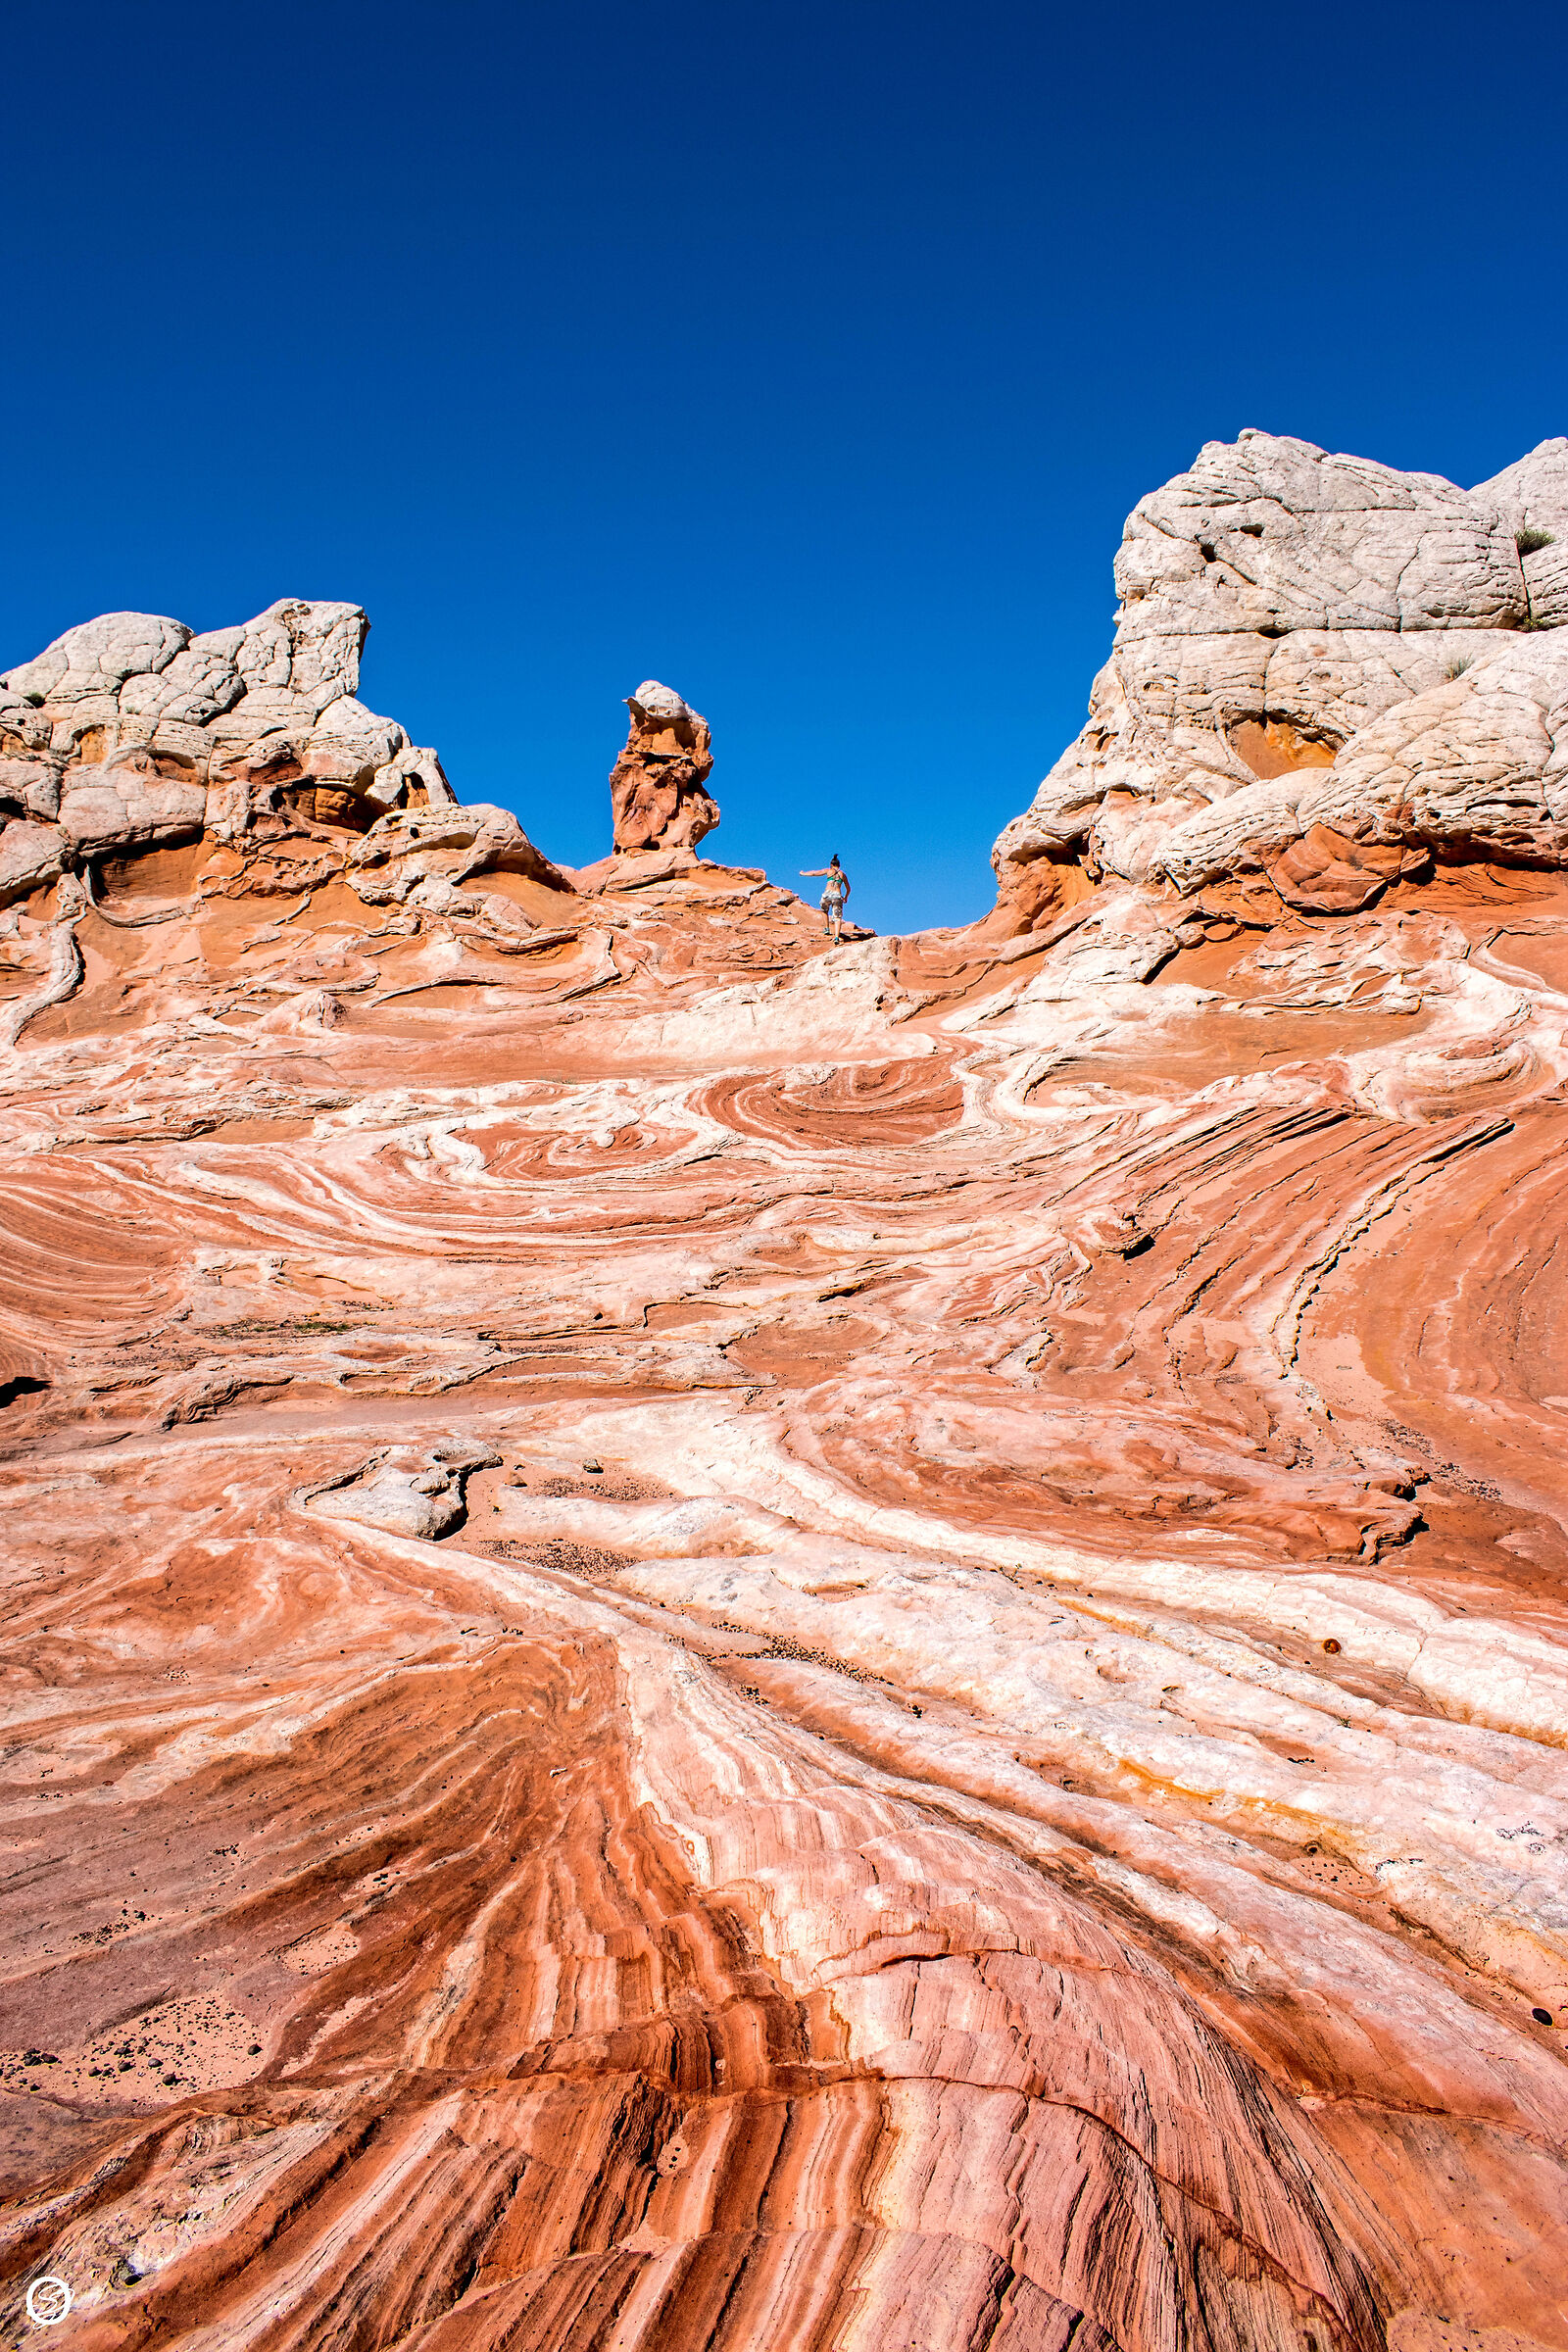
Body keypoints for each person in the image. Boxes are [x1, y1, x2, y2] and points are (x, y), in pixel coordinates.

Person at [801, 853, 851, 943]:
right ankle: (836, 937)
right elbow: (848, 888)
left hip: (827, 894)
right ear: (839, 865)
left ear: (831, 865)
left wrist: (803, 873)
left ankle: (827, 929)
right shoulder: (843, 874)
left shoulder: (828, 871)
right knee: (837, 917)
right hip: (837, 895)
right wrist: (846, 897)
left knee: (824, 910)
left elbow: (814, 873)